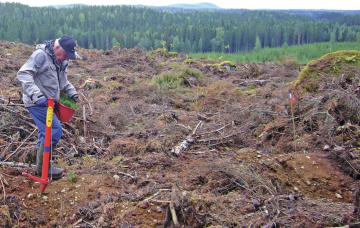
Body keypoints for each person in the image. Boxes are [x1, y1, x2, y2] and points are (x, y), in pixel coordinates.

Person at [17, 36, 79, 180]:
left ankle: (41, 165)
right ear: (57, 48)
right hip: (36, 102)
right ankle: (43, 166)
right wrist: (36, 95)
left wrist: (72, 92)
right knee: (55, 130)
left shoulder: (61, 61)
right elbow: (23, 74)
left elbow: (63, 83)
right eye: (66, 55)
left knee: (45, 132)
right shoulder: (41, 56)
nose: (67, 59)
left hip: (51, 104)